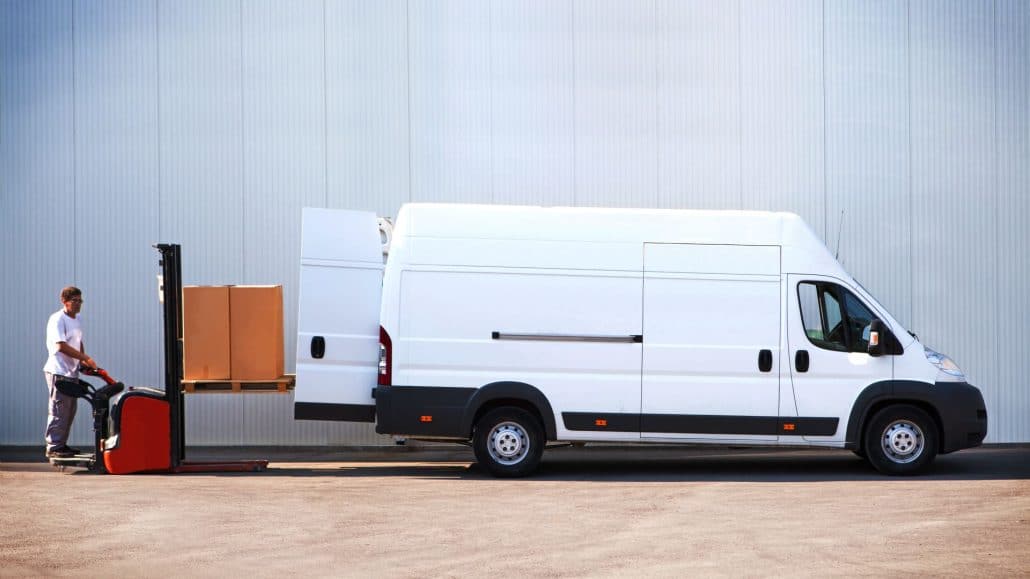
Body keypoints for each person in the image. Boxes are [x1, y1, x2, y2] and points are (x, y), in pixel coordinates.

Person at [43, 286, 98, 458]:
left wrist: (82, 361)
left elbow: (78, 341)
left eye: (80, 301)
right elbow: (61, 346)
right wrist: (86, 357)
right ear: (64, 301)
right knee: (59, 410)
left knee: (69, 410)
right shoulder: (57, 319)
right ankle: (53, 446)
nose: (78, 304)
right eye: (74, 301)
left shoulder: (77, 319)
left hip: (71, 371)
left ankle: (61, 445)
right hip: (58, 371)